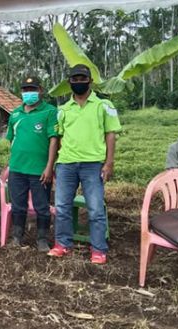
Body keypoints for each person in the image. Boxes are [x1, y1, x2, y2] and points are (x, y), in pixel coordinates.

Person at [49, 64, 121, 264]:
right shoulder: (62, 110)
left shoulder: (104, 106)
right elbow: (58, 137)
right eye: (75, 79)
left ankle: (98, 249)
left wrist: (109, 163)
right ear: (69, 82)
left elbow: (111, 134)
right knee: (62, 207)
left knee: (96, 208)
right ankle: (62, 245)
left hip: (93, 165)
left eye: (82, 79)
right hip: (66, 164)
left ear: (90, 81)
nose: (78, 82)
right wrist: (55, 163)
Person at [5, 76, 59, 251]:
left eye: (32, 89)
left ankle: (42, 239)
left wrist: (49, 167)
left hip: (40, 170)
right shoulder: (15, 114)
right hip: (17, 169)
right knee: (18, 205)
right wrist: (9, 165)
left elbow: (54, 140)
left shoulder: (50, 112)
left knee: (42, 206)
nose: (29, 93)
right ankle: (16, 237)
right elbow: (11, 141)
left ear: (40, 90)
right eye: (26, 90)